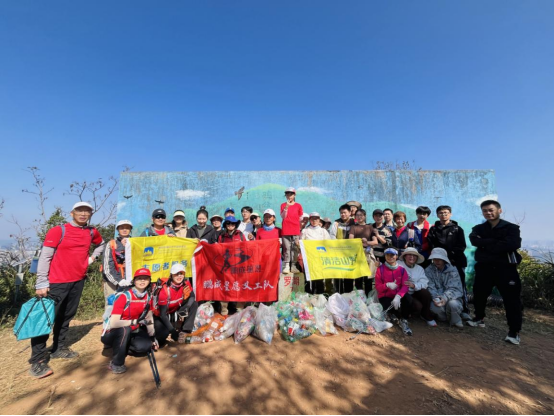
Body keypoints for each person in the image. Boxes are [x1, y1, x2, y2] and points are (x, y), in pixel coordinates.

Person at [30, 202, 106, 379]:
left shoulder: (91, 232)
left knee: (66, 316)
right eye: (80, 210)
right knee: (46, 320)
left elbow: (101, 244)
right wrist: (41, 282)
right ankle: (37, 360)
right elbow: (45, 256)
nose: (83, 213)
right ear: (72, 213)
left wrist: (91, 259)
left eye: (87, 211)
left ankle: (59, 348)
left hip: (78, 280)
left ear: (90, 214)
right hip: (56, 282)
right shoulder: (58, 230)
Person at [468, 200, 523, 345]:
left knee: (512, 300)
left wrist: (486, 243)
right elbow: (474, 241)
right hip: (484, 268)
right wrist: (497, 242)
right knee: (479, 294)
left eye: (491, 210)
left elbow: (513, 244)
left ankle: (514, 331)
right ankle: (479, 318)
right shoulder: (478, 228)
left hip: (506, 269)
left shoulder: (511, 228)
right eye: (485, 210)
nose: (488, 213)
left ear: (499, 210)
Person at [101, 268, 158, 374]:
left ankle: (121, 347)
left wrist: (152, 337)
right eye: (139, 278)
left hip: (132, 331)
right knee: (125, 330)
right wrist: (133, 322)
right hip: (113, 332)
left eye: (145, 278)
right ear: (134, 281)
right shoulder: (124, 296)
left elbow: (149, 318)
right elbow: (114, 323)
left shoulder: (147, 297)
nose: (142, 281)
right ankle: (116, 364)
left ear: (149, 281)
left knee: (145, 346)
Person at [428, 205, 470, 319]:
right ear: (437, 215)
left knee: (461, 285)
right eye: (441, 213)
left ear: (450, 214)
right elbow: (432, 245)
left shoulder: (457, 229)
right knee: (440, 284)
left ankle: (464, 310)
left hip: (456, 261)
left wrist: (448, 256)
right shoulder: (433, 229)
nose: (443, 215)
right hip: (439, 261)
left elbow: (461, 246)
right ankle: (442, 306)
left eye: (446, 212)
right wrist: (439, 257)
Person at [153, 264, 198, 347]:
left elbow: (192, 296)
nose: (179, 276)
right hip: (162, 315)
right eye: (176, 274)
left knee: (194, 304)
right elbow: (162, 314)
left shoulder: (185, 283)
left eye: (181, 273)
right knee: (162, 338)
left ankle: (185, 330)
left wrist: (187, 307)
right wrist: (172, 331)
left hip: (175, 310)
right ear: (171, 275)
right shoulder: (165, 289)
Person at [374, 248, 413, 336]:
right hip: (385, 295)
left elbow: (405, 286)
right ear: (385, 256)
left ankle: (404, 320)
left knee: (408, 299)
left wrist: (398, 296)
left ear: (396, 256)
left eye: (392, 255)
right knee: (386, 304)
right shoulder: (380, 269)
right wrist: (387, 285)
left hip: (397, 295)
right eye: (387, 255)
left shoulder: (402, 270)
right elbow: (378, 287)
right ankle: (391, 314)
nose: (390, 257)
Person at [425, 248, 465, 329]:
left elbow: (454, 288)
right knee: (435, 307)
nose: (437, 261)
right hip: (437, 297)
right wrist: (436, 298)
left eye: (439, 259)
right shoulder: (428, 270)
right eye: (435, 259)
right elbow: (430, 287)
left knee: (453, 304)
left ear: (444, 259)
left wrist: (444, 297)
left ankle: (456, 321)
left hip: (451, 297)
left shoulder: (453, 270)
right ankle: (444, 318)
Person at [398, 248, 437, 327]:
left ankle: (426, 315)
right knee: (417, 306)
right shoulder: (398, 265)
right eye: (409, 255)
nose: (412, 257)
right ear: (405, 256)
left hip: (414, 292)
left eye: (414, 255)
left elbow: (424, 283)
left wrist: (414, 285)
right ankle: (402, 313)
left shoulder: (419, 269)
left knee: (425, 293)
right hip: (400, 293)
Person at [102, 220, 133, 307]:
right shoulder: (111, 244)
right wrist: (118, 281)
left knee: (129, 305)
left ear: (130, 230)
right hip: (112, 280)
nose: (124, 230)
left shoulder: (134, 243)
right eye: (122, 228)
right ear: (118, 230)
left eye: (127, 228)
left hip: (130, 280)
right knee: (111, 304)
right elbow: (107, 265)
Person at [348, 209, 378, 295]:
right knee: (358, 278)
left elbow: (375, 242)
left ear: (365, 216)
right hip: (357, 255)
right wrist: (361, 242)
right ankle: (360, 299)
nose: (359, 217)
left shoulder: (370, 227)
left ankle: (368, 298)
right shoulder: (353, 227)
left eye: (361, 215)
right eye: (357, 215)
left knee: (368, 278)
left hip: (368, 255)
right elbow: (350, 240)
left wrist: (366, 242)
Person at [300, 213, 331, 294]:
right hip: (308, 258)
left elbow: (328, 244)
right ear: (310, 220)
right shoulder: (305, 231)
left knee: (319, 278)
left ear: (319, 220)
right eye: (312, 219)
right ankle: (308, 294)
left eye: (316, 219)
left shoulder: (323, 231)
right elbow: (301, 244)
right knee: (308, 278)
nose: (314, 220)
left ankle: (320, 295)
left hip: (320, 259)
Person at [330, 204, 357, 293]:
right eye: (341, 213)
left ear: (350, 213)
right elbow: (332, 236)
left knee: (348, 276)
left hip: (350, 255)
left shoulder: (354, 223)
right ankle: (338, 295)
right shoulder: (336, 223)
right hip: (338, 254)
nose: (343, 214)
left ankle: (348, 295)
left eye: (345, 212)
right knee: (338, 276)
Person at [281, 188, 304, 274]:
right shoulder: (283, 205)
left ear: (294, 195)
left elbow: (301, 217)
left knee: (295, 248)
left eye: (291, 194)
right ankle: (287, 265)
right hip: (286, 230)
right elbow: (283, 216)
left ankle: (294, 265)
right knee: (287, 248)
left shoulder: (298, 205)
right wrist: (286, 207)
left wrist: (296, 223)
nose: (289, 196)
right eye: (287, 194)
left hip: (295, 230)